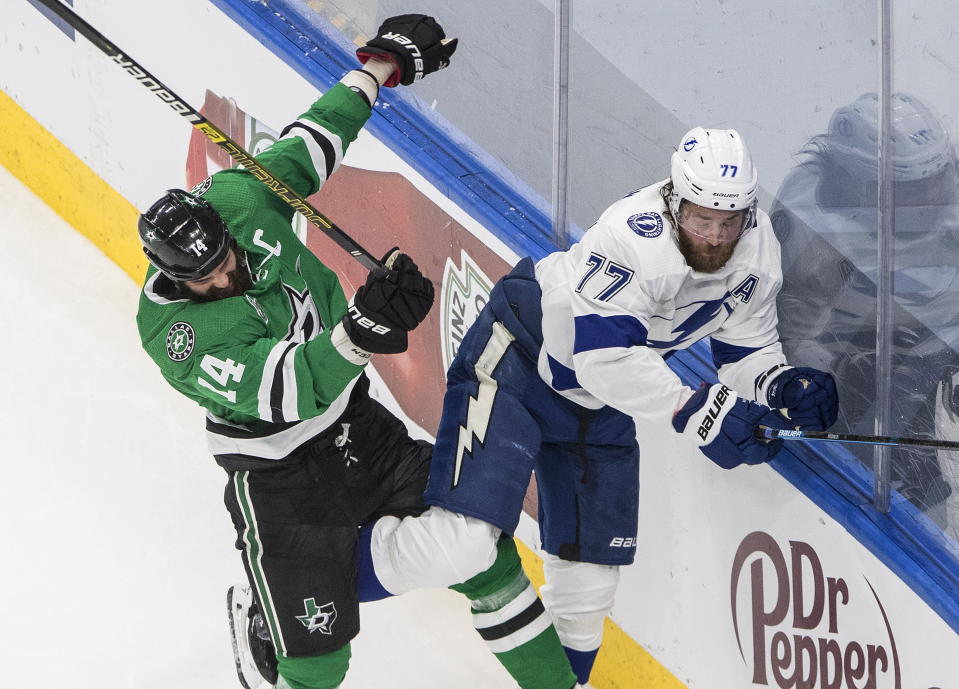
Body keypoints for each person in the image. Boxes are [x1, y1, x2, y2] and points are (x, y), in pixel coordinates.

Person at [136, 15, 580, 689]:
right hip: (279, 478)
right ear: (176, 279)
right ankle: (280, 603)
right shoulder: (178, 337)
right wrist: (362, 327)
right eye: (209, 280)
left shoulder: (235, 199)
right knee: (318, 667)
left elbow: (311, 143)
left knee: (482, 545)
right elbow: (289, 388)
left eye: (225, 257)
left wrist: (376, 69)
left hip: (358, 430)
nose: (228, 275)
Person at [398, 127, 841, 686]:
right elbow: (603, 358)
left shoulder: (758, 252)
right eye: (702, 219)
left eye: (729, 222)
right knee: (460, 543)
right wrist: (699, 412)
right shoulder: (632, 236)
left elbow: (747, 350)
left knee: (589, 589)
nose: (715, 236)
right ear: (674, 199)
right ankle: (322, 581)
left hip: (599, 405)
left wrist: (781, 385)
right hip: (522, 361)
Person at [770, 92, 959, 536]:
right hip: (857, 349)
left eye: (939, 177)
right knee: (880, 464)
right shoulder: (813, 221)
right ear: (861, 183)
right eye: (912, 189)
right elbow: (794, 332)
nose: (932, 195)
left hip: (941, 337)